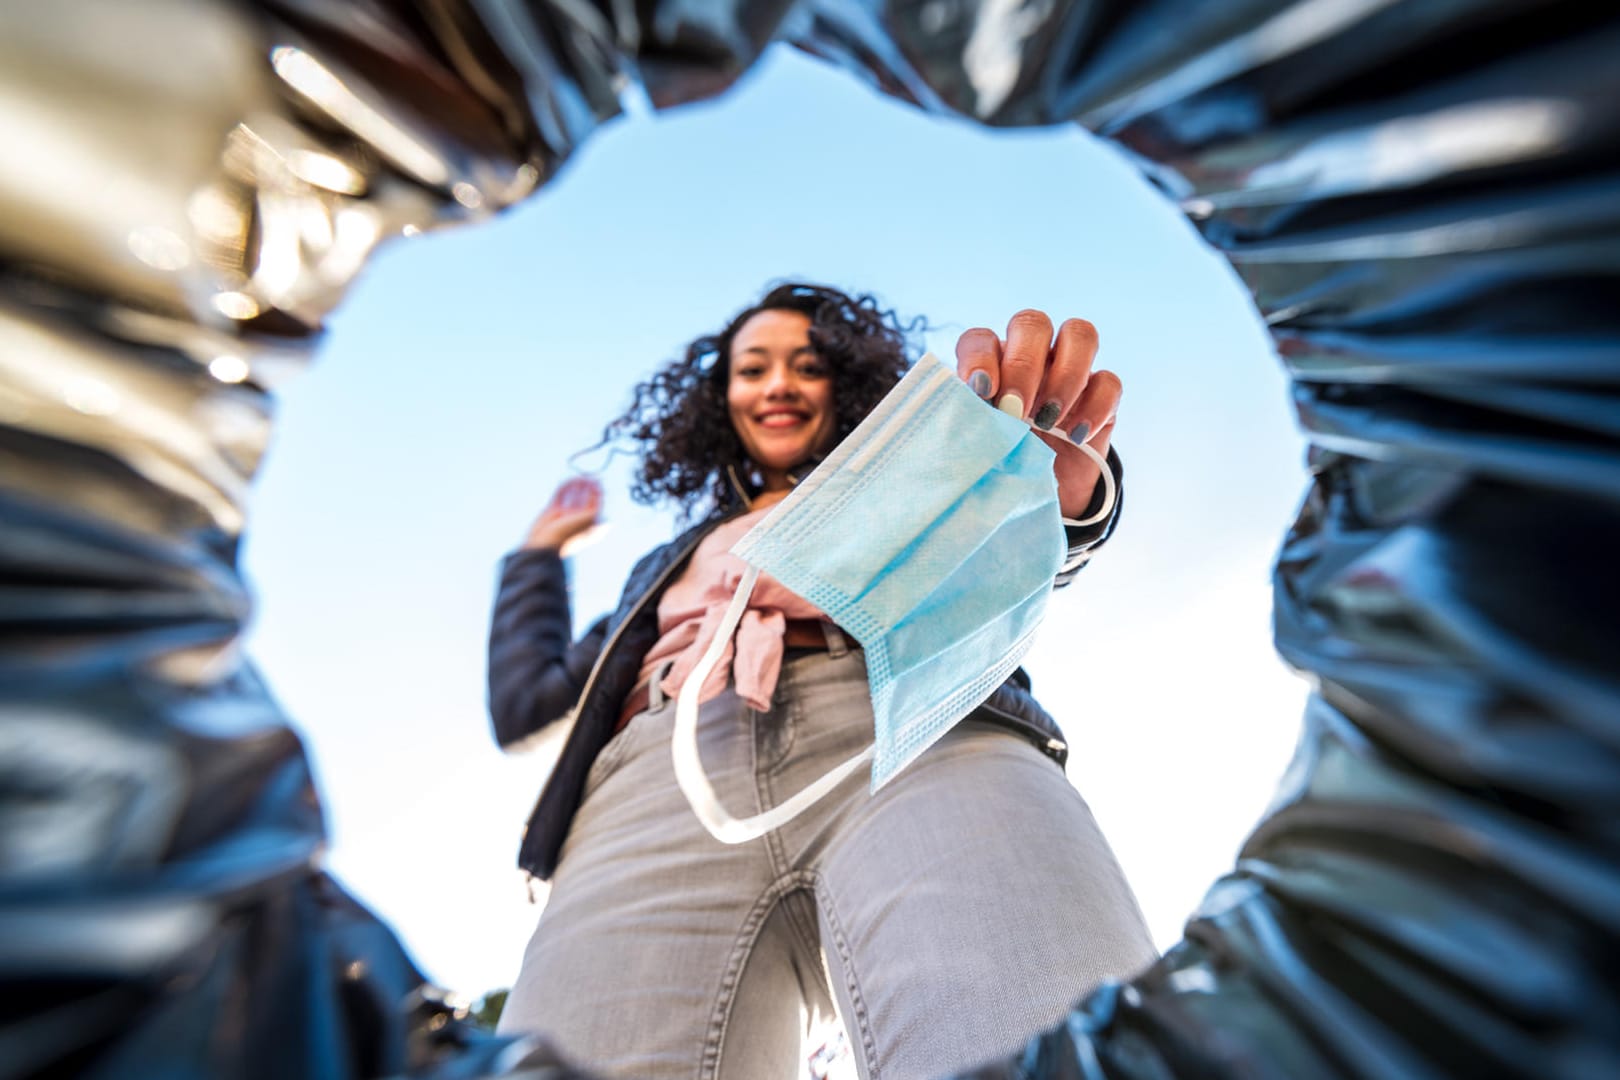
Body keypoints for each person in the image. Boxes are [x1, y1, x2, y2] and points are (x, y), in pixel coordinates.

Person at [487, 283, 1154, 1080]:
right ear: (720, 399)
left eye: (807, 365)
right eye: (752, 368)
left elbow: (1003, 562)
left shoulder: (908, 485)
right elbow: (526, 708)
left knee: (1057, 1039)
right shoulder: (657, 576)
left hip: (916, 736)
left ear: (845, 380)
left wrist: (1054, 506)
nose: (777, 385)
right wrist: (537, 555)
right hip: (655, 777)